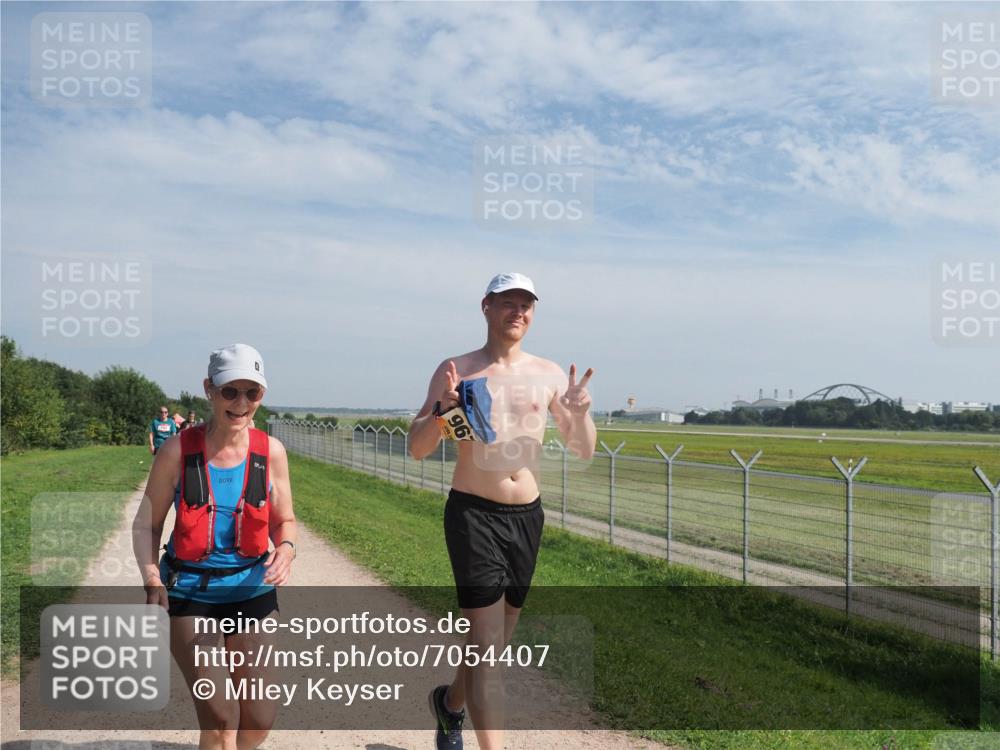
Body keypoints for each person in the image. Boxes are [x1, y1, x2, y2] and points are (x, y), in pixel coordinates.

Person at [408, 273, 596, 750]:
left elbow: (583, 450)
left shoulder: (550, 373)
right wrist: (441, 411)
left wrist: (580, 414)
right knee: (488, 650)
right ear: (486, 307)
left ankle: (450, 706)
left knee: (493, 643)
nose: (518, 311)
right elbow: (417, 447)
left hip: (526, 517)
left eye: (526, 304)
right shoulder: (457, 368)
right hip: (473, 514)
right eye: (507, 302)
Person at [133, 343, 297, 750]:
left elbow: (284, 520)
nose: (241, 403)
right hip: (190, 594)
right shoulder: (176, 452)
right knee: (221, 716)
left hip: (253, 591)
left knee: (258, 719)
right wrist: (152, 577)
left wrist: (287, 548)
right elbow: (147, 525)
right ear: (209, 389)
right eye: (230, 392)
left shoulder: (271, 452)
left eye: (252, 393)